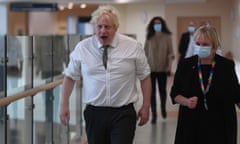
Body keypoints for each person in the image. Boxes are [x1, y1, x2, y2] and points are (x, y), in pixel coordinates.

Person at [59, 5, 151, 144]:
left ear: (116, 27)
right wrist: (63, 104)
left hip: (123, 113)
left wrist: (146, 106)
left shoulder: (132, 46)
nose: (103, 31)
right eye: (99, 26)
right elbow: (70, 76)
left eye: (107, 27)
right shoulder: (83, 48)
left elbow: (145, 77)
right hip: (95, 113)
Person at [170, 25, 240, 144]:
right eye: (198, 44)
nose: (200, 47)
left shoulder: (226, 66)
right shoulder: (185, 65)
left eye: (205, 45)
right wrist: (186, 102)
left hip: (221, 124)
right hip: (191, 124)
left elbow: (236, 94)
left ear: (214, 46)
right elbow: (175, 94)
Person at [144, 16, 174, 123]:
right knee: (151, 93)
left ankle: (163, 109)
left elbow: (171, 53)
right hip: (151, 69)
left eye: (159, 23)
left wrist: (169, 67)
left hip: (162, 69)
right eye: (155, 23)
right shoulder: (149, 37)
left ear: (162, 25)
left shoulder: (167, 37)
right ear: (152, 25)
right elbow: (145, 53)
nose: (157, 25)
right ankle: (154, 115)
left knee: (162, 91)